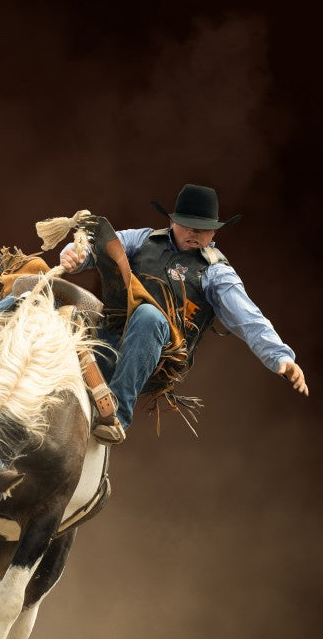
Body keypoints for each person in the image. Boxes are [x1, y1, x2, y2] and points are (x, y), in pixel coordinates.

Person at [60, 184, 308, 444]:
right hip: (107, 337)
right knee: (50, 299)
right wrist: (77, 255)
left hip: (156, 357)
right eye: (188, 225)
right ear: (172, 221)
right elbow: (103, 245)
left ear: (214, 231)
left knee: (149, 316)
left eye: (202, 228)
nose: (195, 233)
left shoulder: (216, 273)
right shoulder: (143, 239)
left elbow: (249, 319)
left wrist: (279, 356)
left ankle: (116, 417)